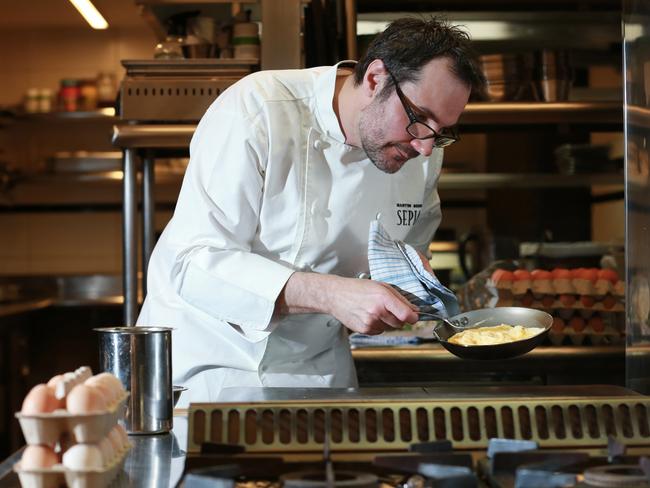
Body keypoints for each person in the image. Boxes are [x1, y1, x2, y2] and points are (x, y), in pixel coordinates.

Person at [137, 17, 485, 405]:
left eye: (442, 132)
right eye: (419, 119)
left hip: (319, 373)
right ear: (375, 79)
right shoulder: (259, 109)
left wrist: (409, 284)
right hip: (211, 368)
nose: (424, 147)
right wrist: (333, 295)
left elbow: (409, 251)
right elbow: (193, 263)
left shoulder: (421, 151)